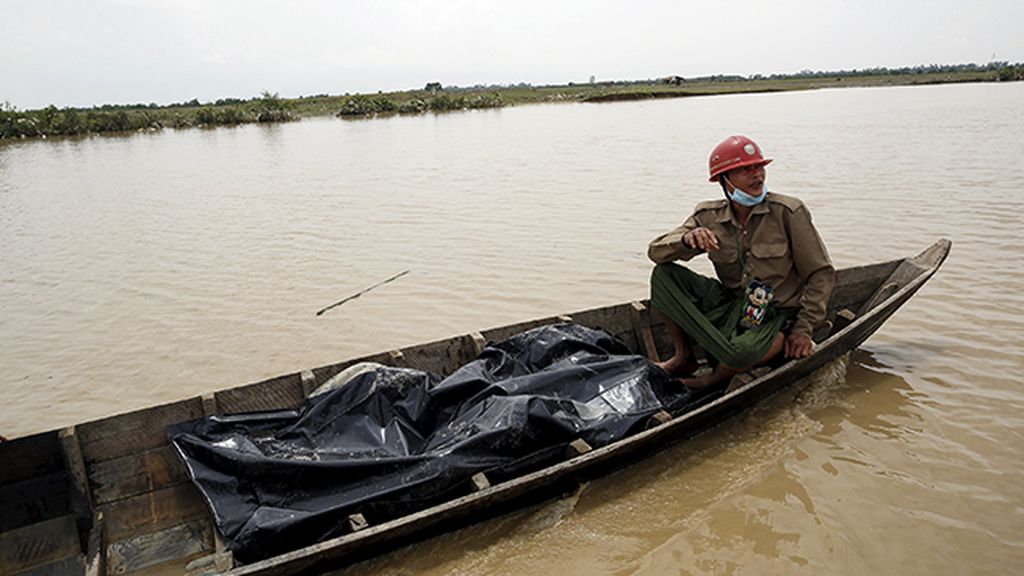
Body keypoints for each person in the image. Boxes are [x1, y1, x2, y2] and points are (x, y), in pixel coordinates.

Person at [647, 135, 835, 388]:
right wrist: (687, 240)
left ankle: (713, 379)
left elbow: (820, 274)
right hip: (733, 304)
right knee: (664, 275)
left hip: (777, 314)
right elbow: (655, 252)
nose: (757, 176)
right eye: (746, 170)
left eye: (759, 168)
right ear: (724, 180)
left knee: (740, 352)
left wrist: (803, 330)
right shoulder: (708, 215)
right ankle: (684, 357)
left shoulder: (788, 212)